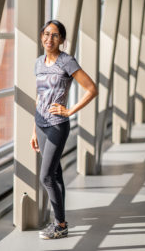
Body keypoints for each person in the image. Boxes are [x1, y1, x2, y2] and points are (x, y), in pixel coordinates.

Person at [30, 20, 98, 239]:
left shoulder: (67, 61)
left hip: (57, 126)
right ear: (41, 36)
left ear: (62, 40)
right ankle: (59, 222)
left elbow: (91, 89)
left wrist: (70, 111)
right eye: (47, 34)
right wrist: (34, 130)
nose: (50, 39)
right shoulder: (38, 63)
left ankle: (60, 225)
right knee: (55, 174)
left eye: (56, 35)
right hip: (40, 125)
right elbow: (39, 98)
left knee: (46, 176)